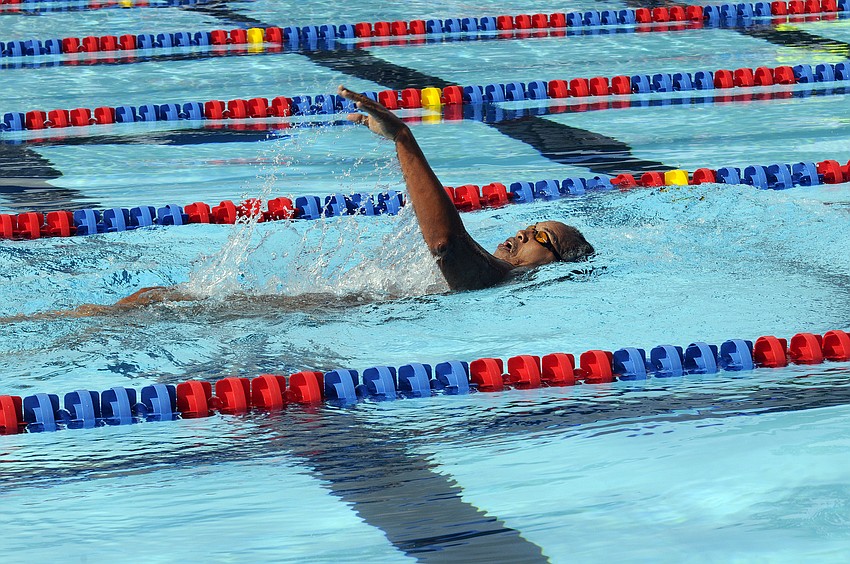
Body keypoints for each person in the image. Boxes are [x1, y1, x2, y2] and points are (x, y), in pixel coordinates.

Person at [44, 85, 595, 317]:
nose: (521, 234)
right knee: (152, 301)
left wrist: (404, 139)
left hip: (297, 318)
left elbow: (445, 242)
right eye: (529, 226)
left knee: (150, 308)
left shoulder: (495, 280)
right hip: (303, 312)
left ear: (555, 267)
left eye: (540, 237)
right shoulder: (494, 276)